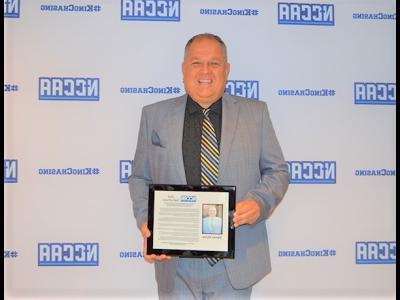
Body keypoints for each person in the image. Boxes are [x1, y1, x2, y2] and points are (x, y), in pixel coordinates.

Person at [129, 33, 289, 299]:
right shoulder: (153, 116)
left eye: (214, 63)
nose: (205, 71)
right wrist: (148, 222)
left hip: (234, 263)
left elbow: (278, 171)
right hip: (175, 262)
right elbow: (139, 178)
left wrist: (259, 203)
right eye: (196, 63)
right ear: (183, 69)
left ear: (226, 70)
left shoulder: (256, 114)